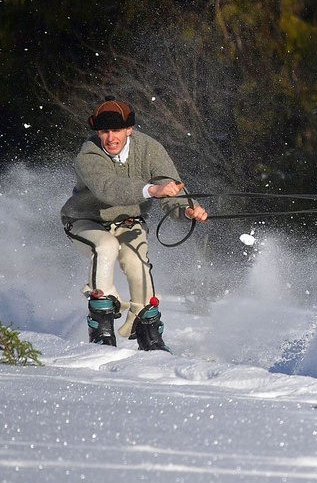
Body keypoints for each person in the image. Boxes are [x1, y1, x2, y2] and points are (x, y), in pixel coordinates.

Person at [61, 96, 208, 351]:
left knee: (137, 262)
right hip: (85, 221)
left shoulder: (150, 149)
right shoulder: (88, 154)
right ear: (97, 131)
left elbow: (171, 188)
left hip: (128, 221)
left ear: (129, 129)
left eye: (116, 130)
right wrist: (152, 190)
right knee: (105, 246)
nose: (110, 138)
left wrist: (187, 210)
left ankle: (148, 329)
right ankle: (101, 325)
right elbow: (108, 189)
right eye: (104, 131)